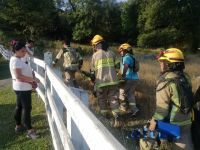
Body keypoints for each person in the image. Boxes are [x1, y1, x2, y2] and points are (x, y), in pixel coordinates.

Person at [145, 48, 193, 149]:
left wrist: (153, 122)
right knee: (185, 143)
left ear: (170, 64)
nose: (161, 64)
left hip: (173, 124)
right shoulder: (186, 77)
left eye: (163, 62)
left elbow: (162, 110)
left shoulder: (165, 82)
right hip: (187, 120)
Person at [9, 40, 40, 139]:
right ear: (16, 51)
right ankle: (29, 130)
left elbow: (20, 75)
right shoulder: (16, 61)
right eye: (22, 51)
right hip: (22, 88)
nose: (25, 53)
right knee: (27, 108)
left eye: (25, 50)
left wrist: (31, 81)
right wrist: (33, 79)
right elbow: (18, 76)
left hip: (21, 87)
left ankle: (18, 126)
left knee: (19, 106)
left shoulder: (17, 59)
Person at [91, 34, 122, 127]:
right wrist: (114, 74)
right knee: (114, 100)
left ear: (96, 44)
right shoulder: (112, 53)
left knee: (102, 100)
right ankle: (117, 119)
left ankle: (105, 118)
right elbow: (118, 67)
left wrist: (94, 82)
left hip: (101, 83)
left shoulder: (95, 55)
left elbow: (92, 72)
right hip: (113, 81)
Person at [118, 43, 139, 116]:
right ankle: (134, 110)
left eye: (120, 51)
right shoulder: (132, 57)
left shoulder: (126, 57)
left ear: (124, 50)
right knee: (131, 95)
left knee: (121, 92)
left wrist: (123, 75)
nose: (120, 53)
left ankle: (123, 108)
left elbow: (126, 66)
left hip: (128, 78)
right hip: (135, 78)